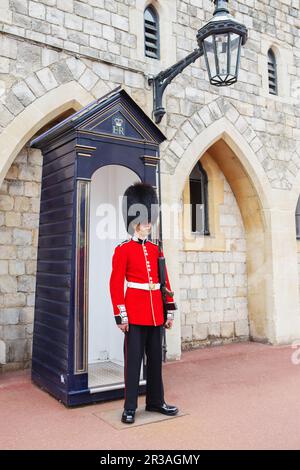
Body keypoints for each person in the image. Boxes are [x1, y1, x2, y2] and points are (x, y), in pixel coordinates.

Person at [109, 182, 179, 424]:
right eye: (144, 220)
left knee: (156, 362)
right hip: (136, 314)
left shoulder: (155, 249)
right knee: (133, 363)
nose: (148, 225)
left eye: (150, 219)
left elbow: (164, 281)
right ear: (133, 221)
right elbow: (116, 284)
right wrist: (121, 315)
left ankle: (156, 401)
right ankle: (129, 407)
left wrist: (169, 310)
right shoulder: (123, 250)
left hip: (155, 313)